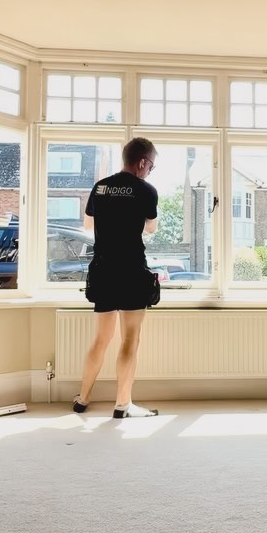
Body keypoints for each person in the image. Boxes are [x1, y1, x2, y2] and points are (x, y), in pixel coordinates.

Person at [73, 137, 160, 419]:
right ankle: (123, 404)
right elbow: (151, 229)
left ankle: (82, 399)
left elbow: (88, 224)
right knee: (130, 339)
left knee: (101, 338)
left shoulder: (101, 187)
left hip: (103, 268)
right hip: (132, 268)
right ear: (143, 162)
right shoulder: (146, 190)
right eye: (152, 166)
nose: (150, 171)